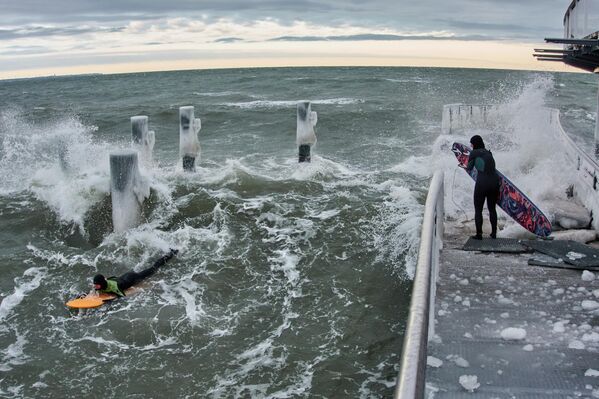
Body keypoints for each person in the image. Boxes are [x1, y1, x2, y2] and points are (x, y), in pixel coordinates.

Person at [93, 249, 178, 296]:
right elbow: (107, 279)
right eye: (95, 285)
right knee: (148, 268)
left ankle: (171, 253)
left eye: (97, 285)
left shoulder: (116, 288)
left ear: (103, 283)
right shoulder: (104, 283)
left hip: (132, 278)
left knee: (153, 269)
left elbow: (122, 296)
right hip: (124, 276)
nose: (95, 287)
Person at [466, 135, 500, 240]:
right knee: (492, 209)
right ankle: (494, 234)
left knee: (478, 210)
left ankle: (479, 234)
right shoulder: (489, 153)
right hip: (495, 183)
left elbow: (469, 168)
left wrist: (467, 163)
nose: (471, 145)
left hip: (482, 184)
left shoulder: (473, 153)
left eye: (471, 143)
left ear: (475, 144)